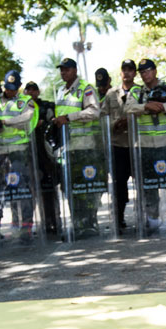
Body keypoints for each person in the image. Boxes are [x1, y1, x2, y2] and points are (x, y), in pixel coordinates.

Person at [124, 58, 166, 235]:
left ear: (155, 71)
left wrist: (162, 107)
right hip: (144, 146)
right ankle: (153, 221)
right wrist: (145, 106)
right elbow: (128, 109)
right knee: (149, 186)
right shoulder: (136, 90)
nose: (145, 75)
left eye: (148, 71)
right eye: (142, 72)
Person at [0, 69, 39, 242]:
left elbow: (27, 117)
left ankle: (26, 229)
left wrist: (5, 121)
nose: (10, 91)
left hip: (18, 151)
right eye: (7, 87)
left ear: (19, 87)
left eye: (13, 88)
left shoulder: (26, 101)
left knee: (22, 190)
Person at [53, 57, 104, 236]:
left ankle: (90, 223)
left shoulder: (85, 88)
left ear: (75, 70)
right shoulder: (60, 91)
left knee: (87, 187)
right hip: (67, 148)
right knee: (70, 187)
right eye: (61, 69)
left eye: (66, 69)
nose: (63, 72)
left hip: (84, 147)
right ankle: (77, 223)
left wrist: (68, 118)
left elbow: (94, 111)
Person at [101, 59, 138, 232]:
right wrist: (114, 124)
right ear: (121, 72)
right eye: (125, 69)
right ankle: (119, 219)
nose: (128, 72)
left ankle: (146, 218)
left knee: (144, 184)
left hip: (137, 144)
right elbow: (103, 116)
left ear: (135, 73)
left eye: (131, 69)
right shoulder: (111, 93)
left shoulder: (141, 91)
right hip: (118, 145)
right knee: (119, 185)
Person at [24, 81, 59, 234]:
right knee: (27, 191)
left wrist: (43, 123)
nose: (31, 93)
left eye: (34, 90)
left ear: (38, 92)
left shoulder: (47, 106)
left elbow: (53, 124)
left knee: (48, 190)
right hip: (26, 153)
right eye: (28, 90)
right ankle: (26, 227)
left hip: (44, 152)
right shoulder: (18, 106)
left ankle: (52, 222)